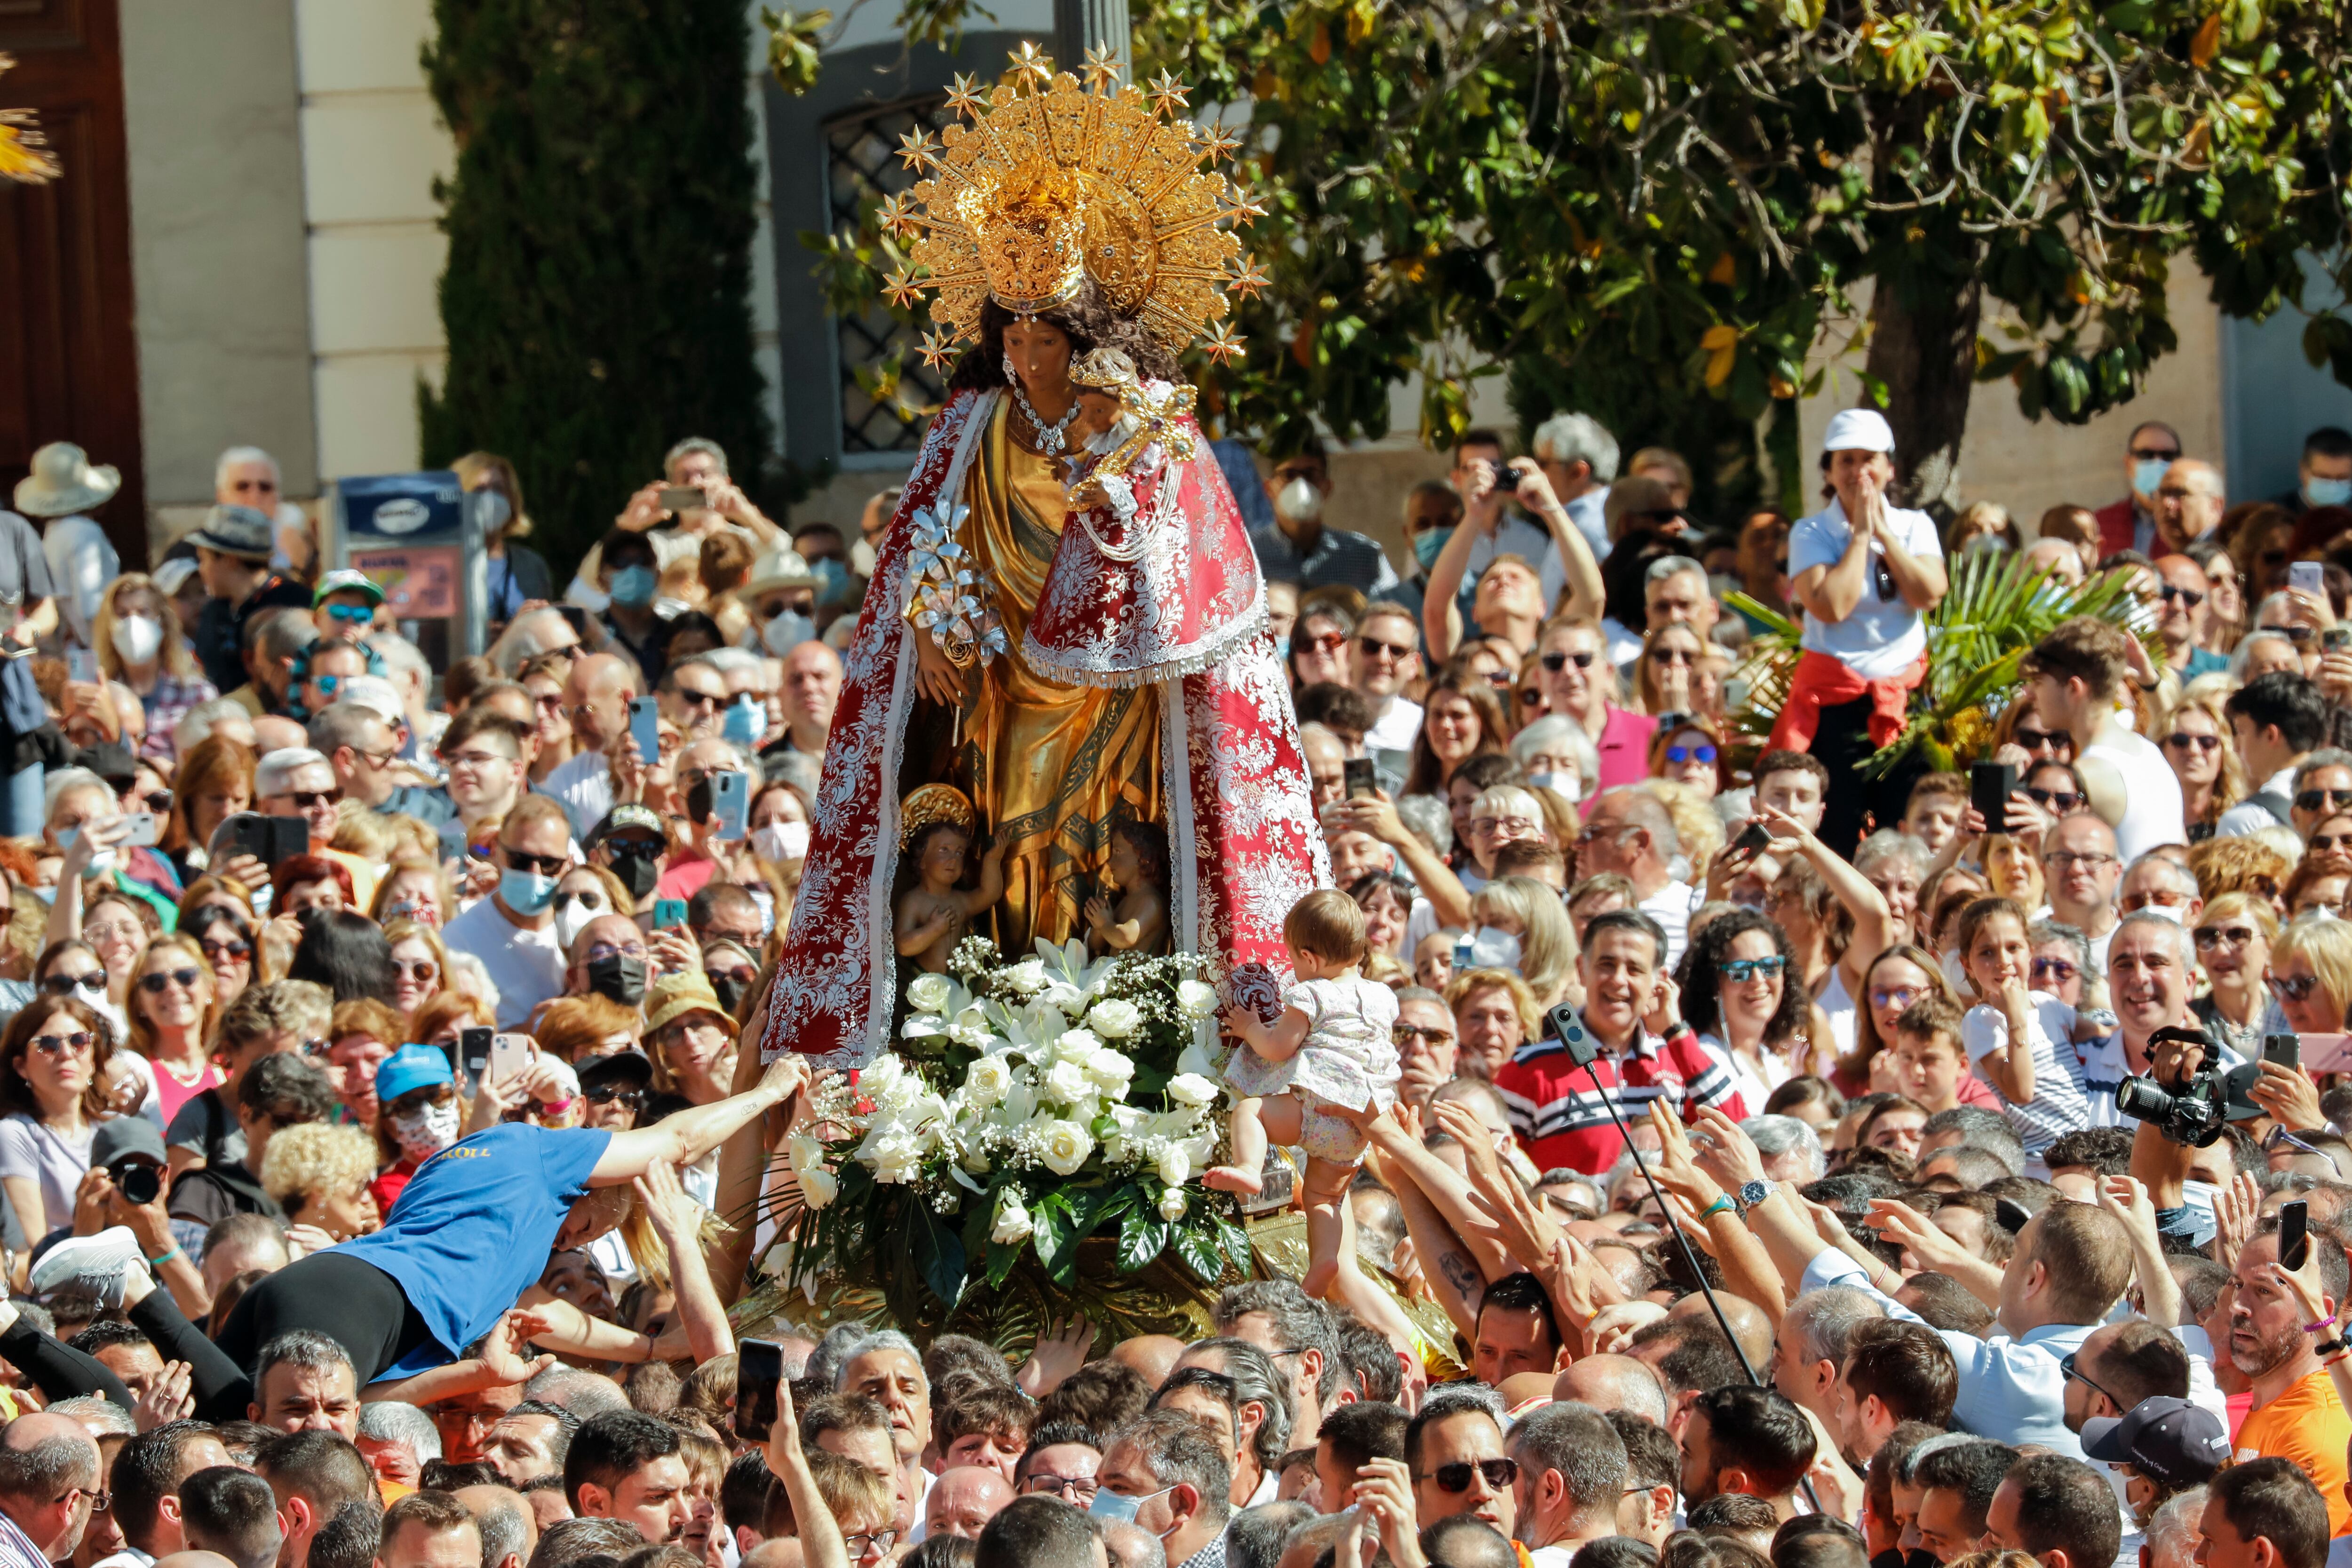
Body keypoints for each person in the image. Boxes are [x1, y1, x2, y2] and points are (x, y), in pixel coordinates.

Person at [768, 152, 1323, 1061]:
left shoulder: (1142, 420)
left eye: (1048, 343)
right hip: (998, 681)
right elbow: (913, 549)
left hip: (1117, 683)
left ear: (1085, 334)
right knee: (1007, 835)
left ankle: (1115, 1020)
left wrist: (1115, 514)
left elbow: (1191, 558)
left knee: (1109, 839)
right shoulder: (971, 424)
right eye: (1015, 340)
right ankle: (1016, 1009)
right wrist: (921, 631)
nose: (1028, 362)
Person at [1769, 409, 1948, 855]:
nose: (1857, 471)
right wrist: (1860, 538)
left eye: (1868, 459)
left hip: (1904, 698)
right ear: (1829, 471)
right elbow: (1831, 606)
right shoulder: (1810, 532)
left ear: (1889, 467)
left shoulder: (1915, 526)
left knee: (1905, 819)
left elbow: (1929, 593)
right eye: (1845, 460)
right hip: (1837, 701)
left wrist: (1885, 535)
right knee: (1840, 828)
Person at [1207, 889, 1399, 1293]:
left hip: (1317, 1111)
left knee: (1251, 1113)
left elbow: (1279, 1047)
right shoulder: (1383, 996)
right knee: (1324, 1200)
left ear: (1310, 959)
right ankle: (1325, 1262)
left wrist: (1249, 1029)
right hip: (1359, 1126)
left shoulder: (1312, 994)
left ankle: (1248, 1170)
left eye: (1294, 958)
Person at [2025, 617, 2185, 861]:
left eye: (2038, 682)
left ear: (2073, 689)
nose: (2030, 694)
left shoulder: (2090, 773)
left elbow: (2058, 868)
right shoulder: (2149, 751)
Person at [438, 796, 574, 1029]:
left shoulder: (582, 929)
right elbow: (457, 1040)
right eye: (521, 860)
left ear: (568, 864)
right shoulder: (458, 940)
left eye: (550, 864)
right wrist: (532, 1029)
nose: (535, 873)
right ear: (498, 854)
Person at [2094, 422, 2184, 558]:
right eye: (2146, 455)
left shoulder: (2193, 522)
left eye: (2167, 456)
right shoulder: (2101, 524)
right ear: (2128, 464)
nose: (2157, 463)